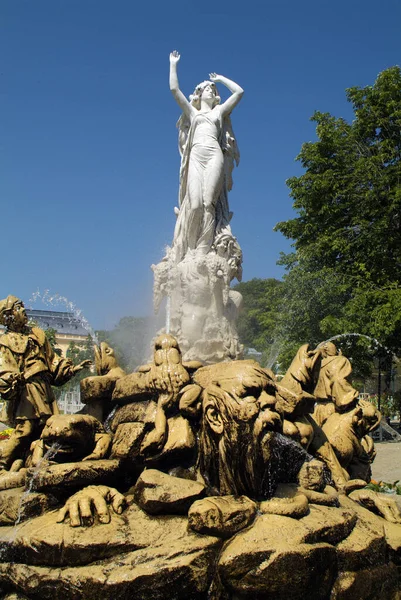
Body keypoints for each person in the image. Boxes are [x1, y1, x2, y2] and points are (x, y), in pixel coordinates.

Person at [0, 295, 91, 470]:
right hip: (26, 391)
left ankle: (36, 461)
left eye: (23, 306)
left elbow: (52, 360)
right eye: (18, 308)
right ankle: (3, 462)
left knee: (48, 427)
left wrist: (72, 369)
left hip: (43, 388)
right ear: (8, 316)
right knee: (25, 428)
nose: (23, 310)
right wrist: (12, 379)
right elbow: (5, 368)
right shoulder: (4, 342)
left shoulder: (37, 334)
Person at [169, 50, 243, 262]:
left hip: (213, 154)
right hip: (196, 155)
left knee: (209, 202)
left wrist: (220, 79)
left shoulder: (219, 113)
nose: (211, 90)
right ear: (199, 94)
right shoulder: (193, 114)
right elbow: (174, 90)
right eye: (208, 88)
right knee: (194, 204)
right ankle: (191, 249)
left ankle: (203, 249)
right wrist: (173, 64)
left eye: (213, 89)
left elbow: (239, 92)